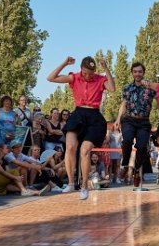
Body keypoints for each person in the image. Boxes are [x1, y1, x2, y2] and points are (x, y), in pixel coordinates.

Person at [47, 56, 115, 200]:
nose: (87, 76)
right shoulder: (75, 77)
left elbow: (112, 88)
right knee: (70, 147)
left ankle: (84, 185)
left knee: (84, 150)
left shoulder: (100, 79)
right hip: (78, 114)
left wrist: (106, 69)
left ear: (94, 71)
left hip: (94, 117)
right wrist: (65, 63)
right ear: (81, 69)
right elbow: (50, 78)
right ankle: (71, 183)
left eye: (90, 73)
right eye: (85, 73)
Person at [113, 62, 156, 187]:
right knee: (127, 140)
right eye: (135, 71)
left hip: (144, 122)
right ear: (132, 73)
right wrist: (118, 118)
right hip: (129, 120)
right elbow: (123, 104)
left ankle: (137, 170)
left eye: (140, 71)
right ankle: (126, 165)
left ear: (143, 73)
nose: (137, 74)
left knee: (142, 147)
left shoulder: (150, 87)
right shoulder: (128, 87)